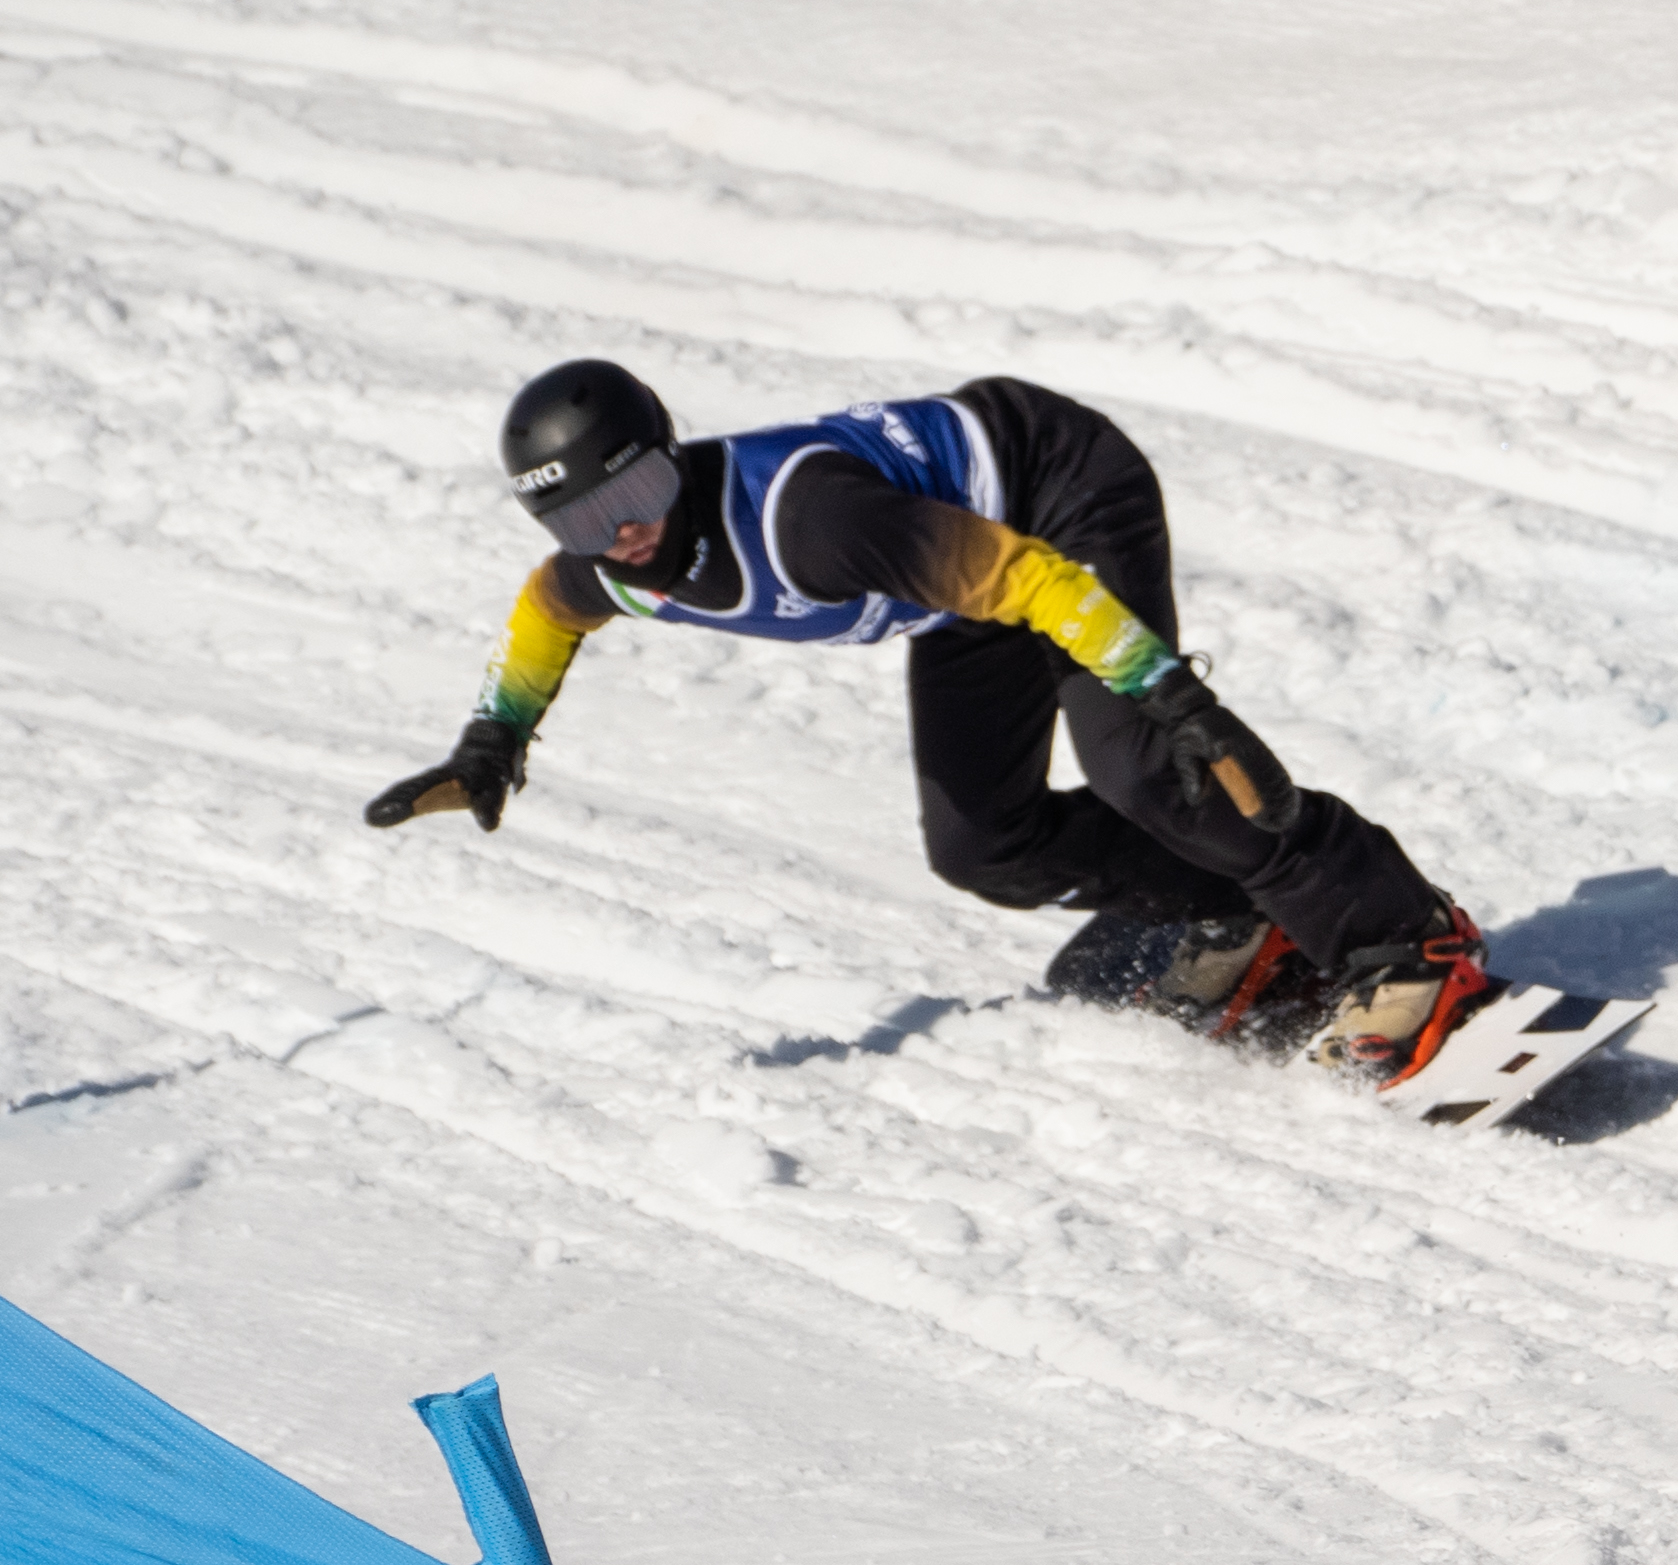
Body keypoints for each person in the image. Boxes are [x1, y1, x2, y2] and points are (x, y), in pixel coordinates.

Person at [362, 364, 1490, 1076]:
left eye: (637, 496)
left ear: (670, 453)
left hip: (1051, 503)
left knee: (1146, 771)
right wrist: (495, 738)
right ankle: (1245, 915)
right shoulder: (613, 570)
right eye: (584, 518)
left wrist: (1172, 696)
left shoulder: (810, 521)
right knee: (980, 844)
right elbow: (540, 614)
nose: (622, 535)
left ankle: (1406, 939)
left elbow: (1035, 581)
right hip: (962, 576)